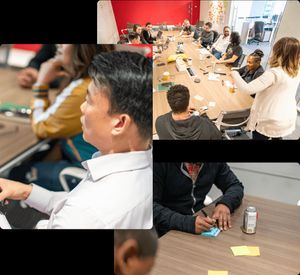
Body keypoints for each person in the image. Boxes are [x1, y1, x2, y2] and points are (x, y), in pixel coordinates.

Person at [0, 51, 152, 229]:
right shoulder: (142, 166)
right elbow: (73, 202)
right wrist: (27, 192)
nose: (82, 107)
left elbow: (80, 211)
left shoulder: (84, 214)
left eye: (89, 101)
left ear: (119, 123)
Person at [9, 45, 114, 192]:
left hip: (90, 171)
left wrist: (41, 83)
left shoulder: (81, 89)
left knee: (15, 173)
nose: (57, 45)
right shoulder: (96, 77)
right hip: (99, 162)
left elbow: (41, 128)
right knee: (37, 155)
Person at [231, 37, 300, 140]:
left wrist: (234, 73)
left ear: (279, 52)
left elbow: (246, 89)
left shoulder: (274, 73)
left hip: (269, 118)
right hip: (286, 115)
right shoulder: (296, 71)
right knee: (276, 136)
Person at [154, 162, 244, 236]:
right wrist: (187, 223)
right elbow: (149, 208)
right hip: (166, 230)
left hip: (199, 223)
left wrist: (225, 204)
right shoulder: (158, 164)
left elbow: (235, 186)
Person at [155, 85, 222, 140]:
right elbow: (218, 136)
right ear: (188, 102)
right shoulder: (205, 124)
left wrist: (180, 108)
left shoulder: (160, 122)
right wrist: (203, 115)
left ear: (169, 103)